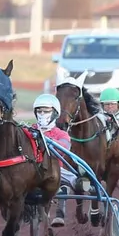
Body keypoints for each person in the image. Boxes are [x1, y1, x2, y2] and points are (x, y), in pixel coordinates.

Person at [32, 93, 75, 228]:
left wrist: (47, 141)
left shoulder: (61, 134)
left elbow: (64, 147)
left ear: (55, 113)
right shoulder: (29, 130)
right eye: (39, 111)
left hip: (56, 170)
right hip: (32, 170)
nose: (42, 114)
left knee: (73, 181)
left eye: (46, 111)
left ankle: (60, 210)